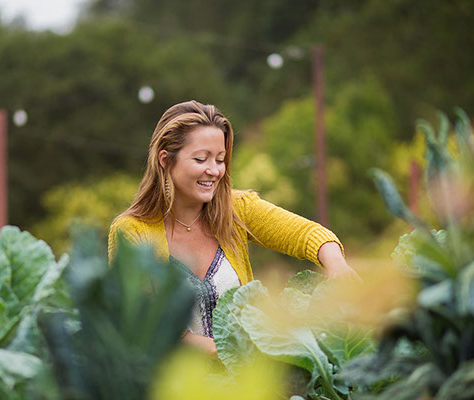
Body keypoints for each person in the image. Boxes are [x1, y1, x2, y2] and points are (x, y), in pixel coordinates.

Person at [108, 100, 357, 356]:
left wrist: (336, 262)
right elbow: (144, 324)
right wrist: (231, 353)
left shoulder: (237, 209)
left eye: (220, 159)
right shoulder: (131, 232)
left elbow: (305, 234)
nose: (214, 170)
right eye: (201, 159)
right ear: (165, 160)